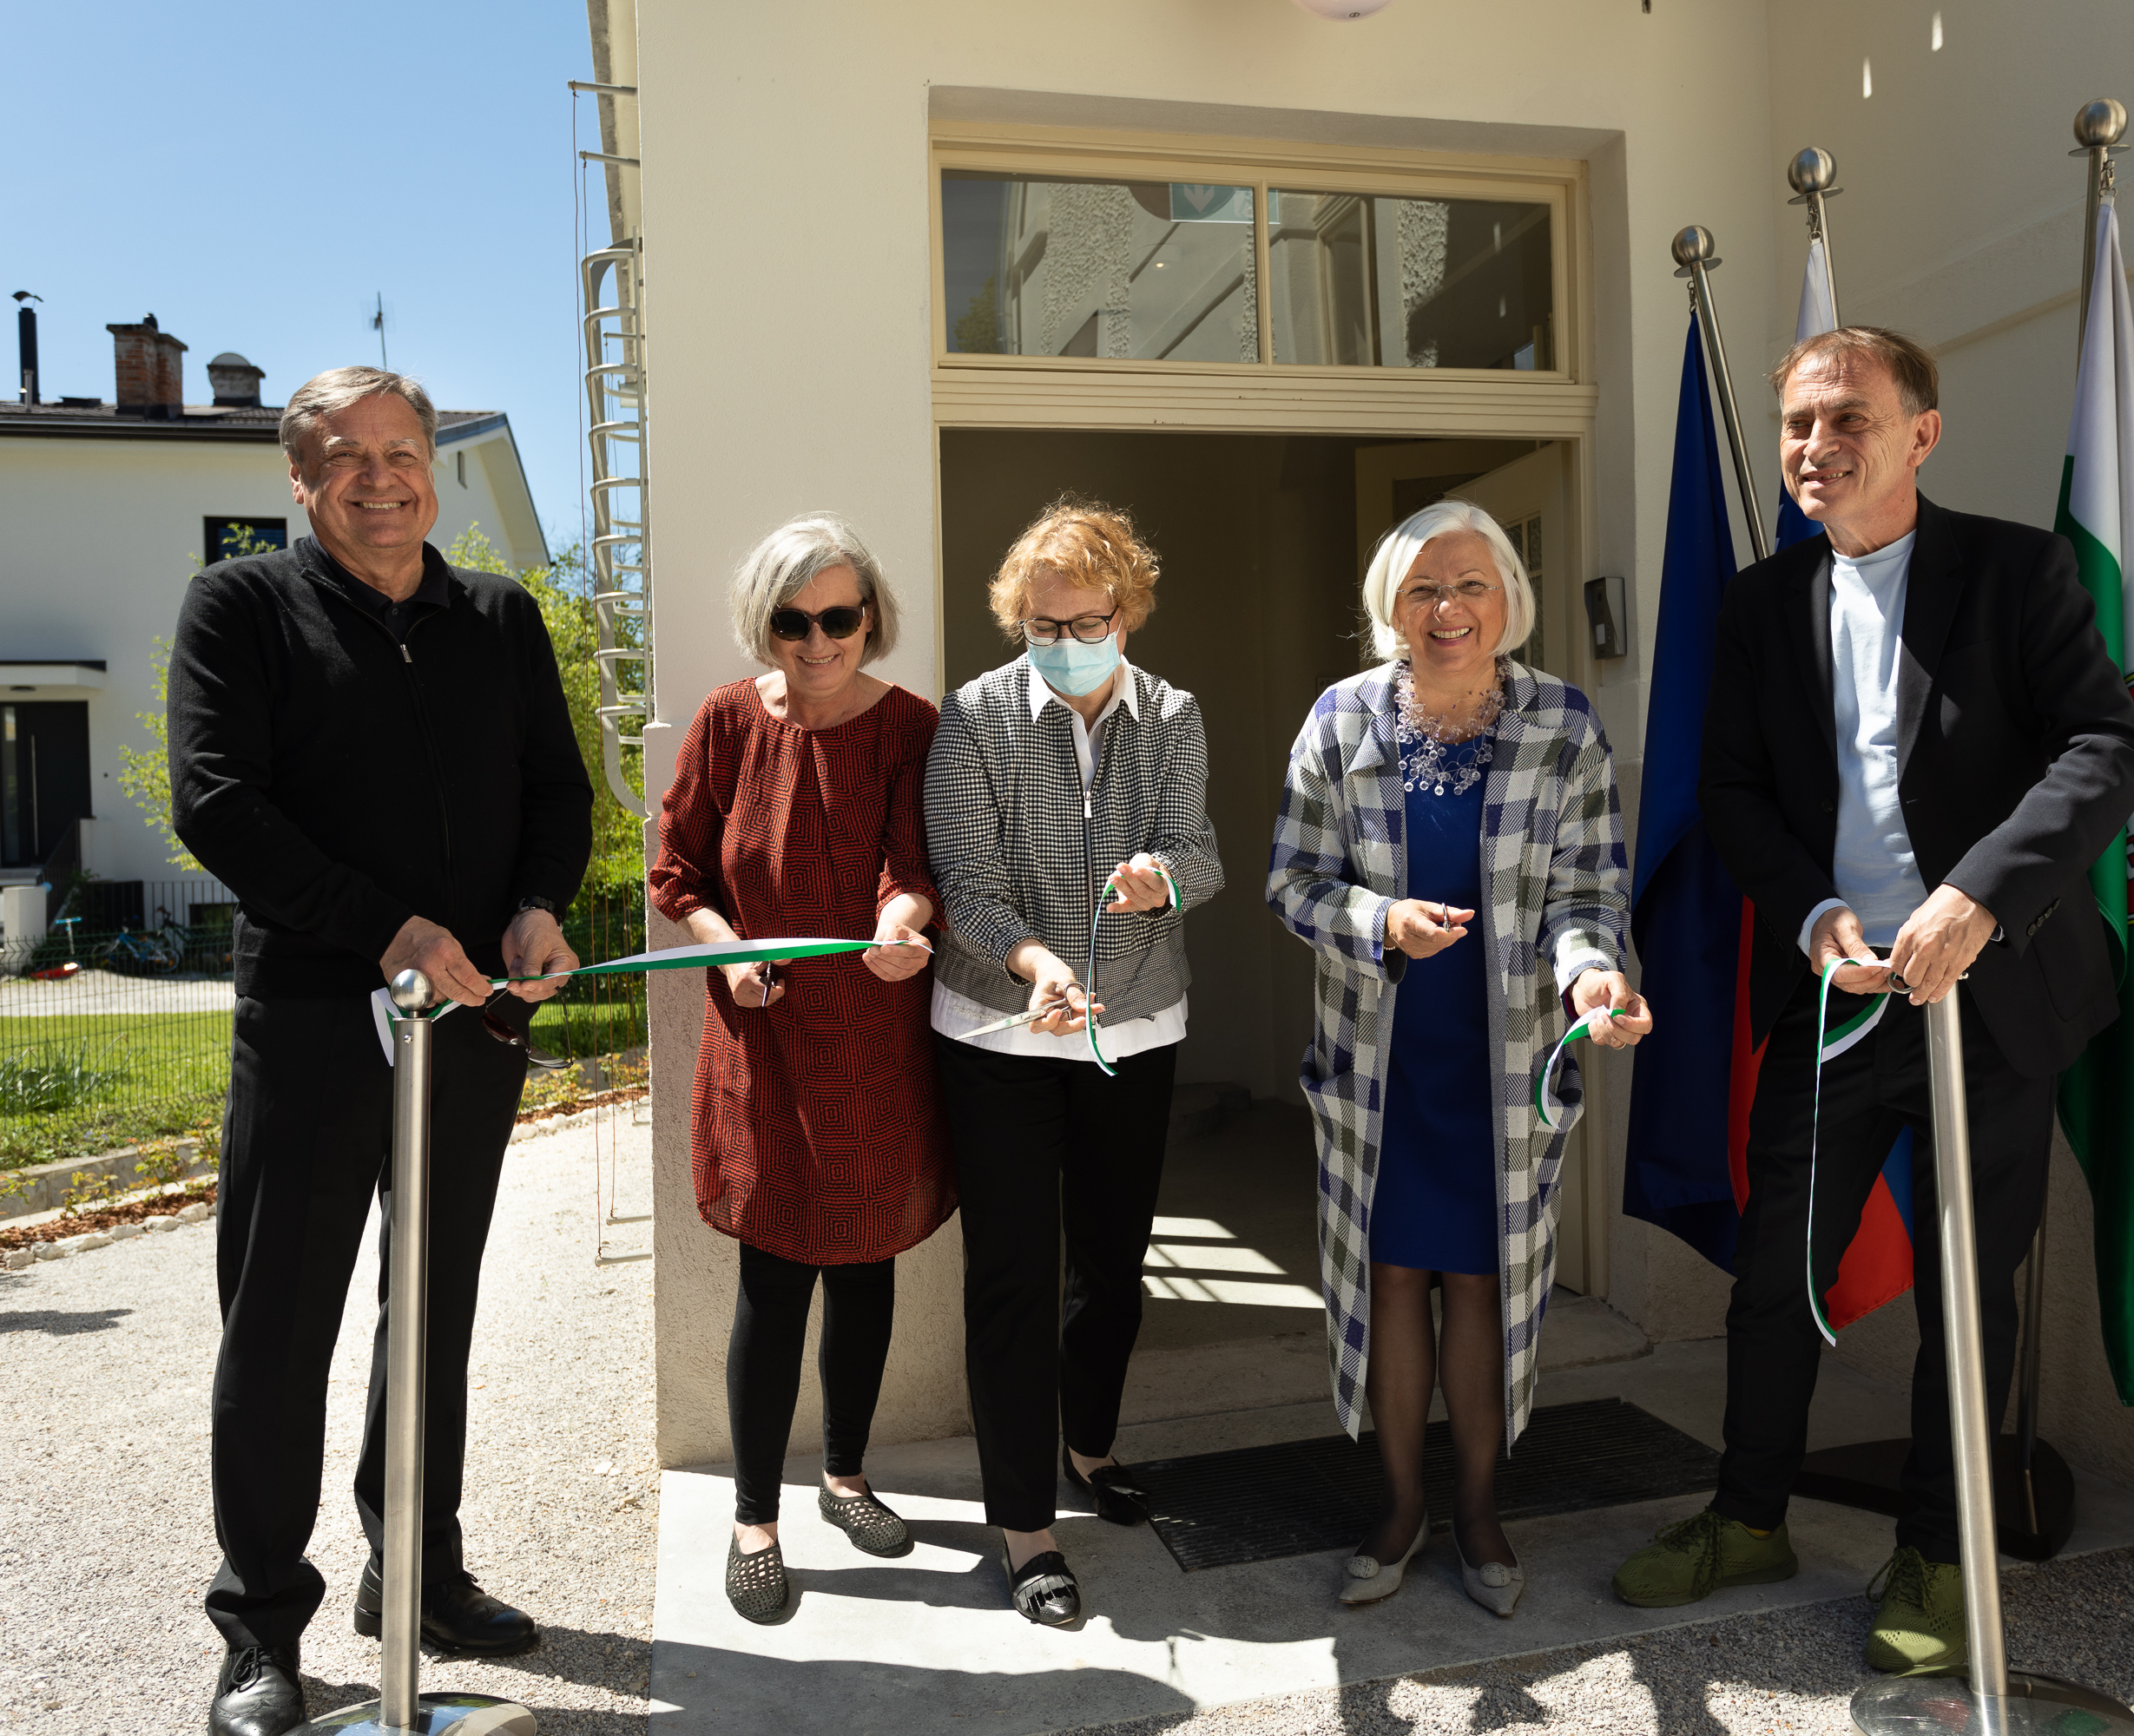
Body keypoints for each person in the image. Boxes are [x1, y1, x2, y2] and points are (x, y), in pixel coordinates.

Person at [1610, 326, 2134, 1674]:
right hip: (1838, 996)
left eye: (1847, 418)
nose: (1814, 445)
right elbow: (1729, 790)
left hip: (1995, 992)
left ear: (1922, 433)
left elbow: (2104, 748)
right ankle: (1748, 1515)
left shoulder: (2016, 572)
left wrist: (1980, 897)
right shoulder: (1758, 605)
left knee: (1972, 1292)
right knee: (1775, 1271)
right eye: (1797, 423)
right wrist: (1809, 912)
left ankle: (1938, 1548)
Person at [169, 366, 590, 1736]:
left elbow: (557, 789)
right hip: (309, 1022)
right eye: (344, 457)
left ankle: (417, 1573)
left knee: (435, 1313)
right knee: (281, 1324)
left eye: (403, 452)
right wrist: (382, 928)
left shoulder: (498, 615)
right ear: (300, 483)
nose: (380, 476)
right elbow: (217, 804)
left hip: (472, 1019)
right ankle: (262, 1630)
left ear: (435, 471)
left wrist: (536, 901)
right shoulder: (242, 606)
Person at [1268, 499, 1647, 1620]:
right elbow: (1295, 885)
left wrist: (1592, 976)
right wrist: (1378, 922)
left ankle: (1480, 1512)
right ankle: (1397, 1510)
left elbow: (1589, 893)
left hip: (1504, 1066)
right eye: (1426, 588)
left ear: (1509, 601)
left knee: (1483, 1288)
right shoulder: (1339, 721)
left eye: (1472, 586)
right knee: (1390, 1286)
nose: (1449, 610)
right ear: (1393, 604)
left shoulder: (1564, 724)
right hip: (1381, 1065)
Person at [649, 512, 953, 1624]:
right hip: (761, 1038)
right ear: (765, 622)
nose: (818, 640)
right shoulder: (730, 721)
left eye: (839, 616)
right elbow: (678, 870)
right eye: (794, 619)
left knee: (865, 1266)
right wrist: (727, 955)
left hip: (872, 1036)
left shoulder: (911, 726)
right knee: (773, 1281)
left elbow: (915, 864)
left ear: (869, 617)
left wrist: (899, 922)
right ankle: (755, 1517)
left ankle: (848, 1475)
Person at [922, 497, 1222, 1628]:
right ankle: (1026, 1530)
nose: (1064, 642)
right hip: (1000, 1031)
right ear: (1019, 621)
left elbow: (1202, 854)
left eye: (1087, 621)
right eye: (1043, 625)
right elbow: (968, 886)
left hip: (1133, 1028)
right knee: (1012, 1280)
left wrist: (1166, 879)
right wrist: (1036, 966)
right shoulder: (975, 719)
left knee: (1111, 1263)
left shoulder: (1174, 718)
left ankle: (1089, 1447)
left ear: (1128, 613)